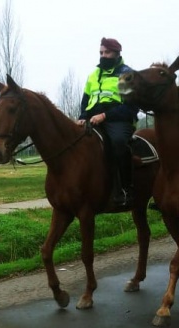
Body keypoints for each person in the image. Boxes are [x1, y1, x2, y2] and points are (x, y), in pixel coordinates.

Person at [77, 37, 139, 206]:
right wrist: (83, 116)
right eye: (101, 53)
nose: (103, 56)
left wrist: (105, 116)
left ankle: (127, 188)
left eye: (107, 52)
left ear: (117, 54)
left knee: (119, 142)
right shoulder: (93, 75)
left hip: (117, 120)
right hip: (92, 119)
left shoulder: (125, 75)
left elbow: (131, 107)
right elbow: (85, 100)